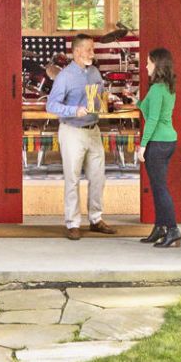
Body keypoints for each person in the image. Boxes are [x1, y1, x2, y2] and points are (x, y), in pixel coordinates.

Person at [46, 33, 118, 240]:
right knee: (73, 178)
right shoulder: (64, 76)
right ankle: (73, 223)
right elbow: (51, 105)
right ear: (77, 52)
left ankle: (95, 219)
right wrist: (73, 110)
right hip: (71, 132)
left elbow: (99, 98)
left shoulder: (94, 72)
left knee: (98, 177)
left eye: (93, 50)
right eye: (89, 50)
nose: (92, 54)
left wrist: (108, 99)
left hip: (93, 130)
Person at [136, 48, 180, 247]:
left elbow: (152, 120)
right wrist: (136, 101)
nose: (146, 66)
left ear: (157, 65)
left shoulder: (156, 89)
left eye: (148, 62)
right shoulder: (167, 88)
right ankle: (160, 227)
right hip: (169, 140)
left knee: (160, 188)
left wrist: (142, 146)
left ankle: (173, 229)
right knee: (156, 186)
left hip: (158, 142)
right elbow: (150, 111)